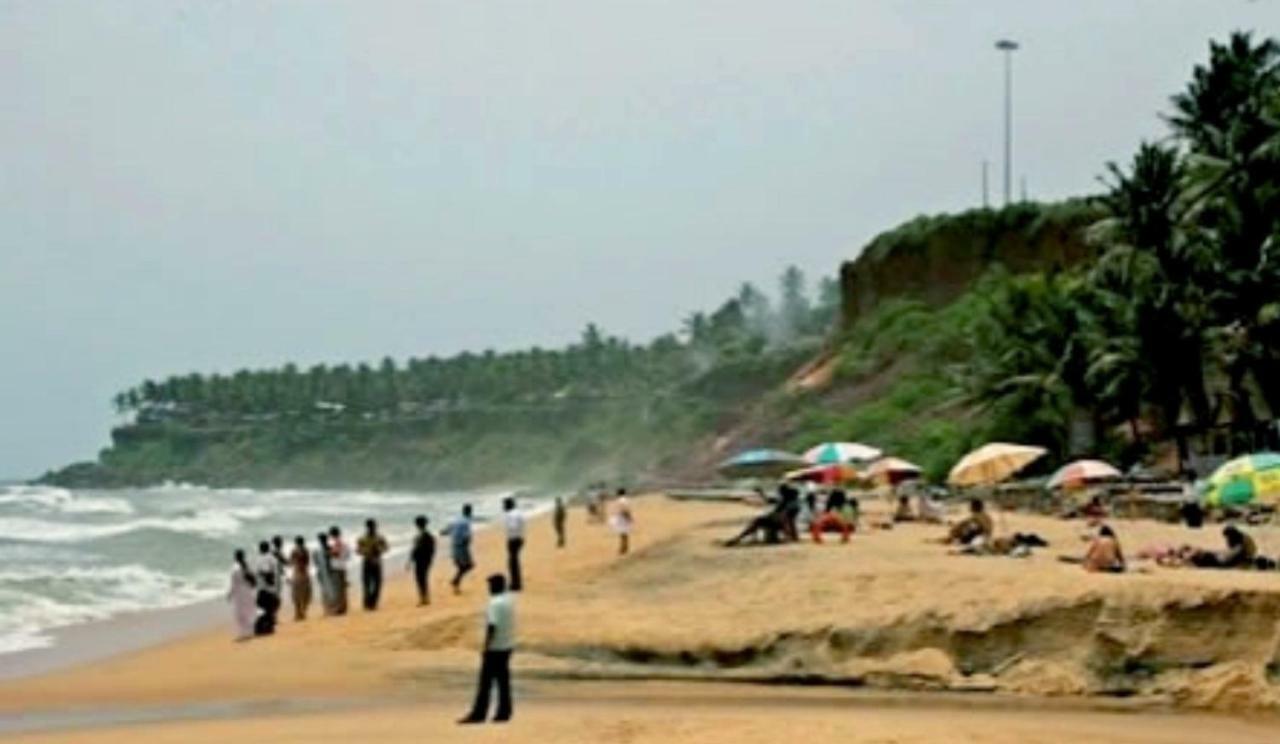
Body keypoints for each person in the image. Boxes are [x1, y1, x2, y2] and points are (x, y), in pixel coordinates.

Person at [459, 574, 516, 725]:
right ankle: (504, 712)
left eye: (490, 585)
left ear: (495, 586)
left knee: (485, 683)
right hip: (507, 646)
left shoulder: (494, 603)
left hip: (495, 648)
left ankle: (479, 713)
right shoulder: (509, 601)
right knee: (503, 682)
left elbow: (492, 626)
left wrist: (486, 646)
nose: (489, 588)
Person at [357, 519, 389, 611]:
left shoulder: (379, 538)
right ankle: (368, 602)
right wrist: (366, 551)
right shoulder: (362, 538)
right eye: (371, 526)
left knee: (377, 584)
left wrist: (379, 550)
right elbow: (358, 550)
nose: (372, 528)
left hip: (376, 561)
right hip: (367, 561)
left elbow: (386, 547)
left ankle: (372, 602)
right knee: (367, 584)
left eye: (373, 526)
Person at [1191, 525, 1257, 569]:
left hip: (1241, 557)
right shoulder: (1237, 539)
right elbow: (1231, 551)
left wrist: (1223, 555)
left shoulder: (1242, 540)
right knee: (1207, 554)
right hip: (1232, 558)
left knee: (1206, 555)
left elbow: (1235, 553)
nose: (1227, 539)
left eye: (1228, 536)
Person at [227, 549, 257, 641]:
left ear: (235, 557)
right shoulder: (246, 566)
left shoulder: (235, 568)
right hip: (248, 591)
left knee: (239, 614)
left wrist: (230, 594)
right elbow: (253, 580)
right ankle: (250, 632)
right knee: (249, 612)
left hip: (239, 593)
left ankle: (243, 634)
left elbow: (234, 583)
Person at [445, 504, 476, 594]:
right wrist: (467, 544)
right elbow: (467, 536)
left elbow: (447, 530)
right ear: (470, 511)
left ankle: (456, 585)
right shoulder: (466, 522)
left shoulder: (456, 519)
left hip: (453, 546)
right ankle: (455, 581)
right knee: (468, 565)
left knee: (461, 566)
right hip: (462, 546)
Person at [407, 515, 436, 606]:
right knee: (422, 579)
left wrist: (410, 560)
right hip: (423, 560)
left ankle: (423, 598)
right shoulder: (427, 536)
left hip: (422, 560)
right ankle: (424, 597)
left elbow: (415, 550)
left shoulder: (422, 536)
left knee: (421, 579)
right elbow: (431, 550)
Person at [254, 541, 281, 635]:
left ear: (261, 549)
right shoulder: (272, 559)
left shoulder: (260, 559)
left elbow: (264, 572)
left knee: (264, 608)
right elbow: (269, 572)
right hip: (270, 588)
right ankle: (266, 628)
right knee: (270, 608)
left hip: (263, 588)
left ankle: (263, 628)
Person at [503, 497, 526, 591]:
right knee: (514, 561)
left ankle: (515, 584)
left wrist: (508, 527)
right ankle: (516, 582)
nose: (503, 507)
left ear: (509, 505)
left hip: (513, 539)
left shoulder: (511, 515)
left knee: (512, 562)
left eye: (504, 505)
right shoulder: (518, 513)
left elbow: (513, 526)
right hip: (519, 538)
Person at [288, 535, 312, 620]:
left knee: (296, 595)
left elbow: (290, 563)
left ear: (296, 543)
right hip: (305, 574)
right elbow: (307, 562)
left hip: (297, 574)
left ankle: (298, 613)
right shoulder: (306, 550)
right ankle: (303, 611)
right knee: (306, 594)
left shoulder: (294, 551)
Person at [328, 526, 351, 614]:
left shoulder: (337, 543)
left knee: (337, 589)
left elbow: (335, 553)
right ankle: (343, 607)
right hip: (343, 566)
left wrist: (329, 552)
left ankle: (338, 608)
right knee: (342, 589)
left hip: (336, 567)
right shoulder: (344, 543)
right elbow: (348, 555)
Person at [313, 532, 336, 615]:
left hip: (324, 572)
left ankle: (327, 609)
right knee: (330, 590)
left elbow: (315, 562)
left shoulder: (317, 550)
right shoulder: (329, 548)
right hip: (328, 571)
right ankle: (329, 609)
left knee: (326, 590)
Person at [611, 489, 633, 555]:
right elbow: (626, 509)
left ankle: (623, 548)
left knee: (622, 534)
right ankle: (625, 547)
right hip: (623, 517)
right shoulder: (625, 500)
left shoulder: (620, 501)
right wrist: (629, 517)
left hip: (622, 518)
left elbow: (624, 510)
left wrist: (627, 516)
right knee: (625, 533)